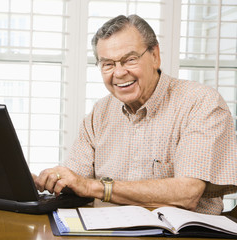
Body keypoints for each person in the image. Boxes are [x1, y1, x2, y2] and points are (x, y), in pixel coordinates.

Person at [33, 14, 237, 215]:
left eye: (129, 60)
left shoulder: (200, 102)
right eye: (108, 64)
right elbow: (77, 181)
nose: (119, 73)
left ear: (155, 56)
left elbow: (188, 194)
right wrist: (43, 182)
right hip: (107, 234)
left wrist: (93, 187)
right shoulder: (99, 113)